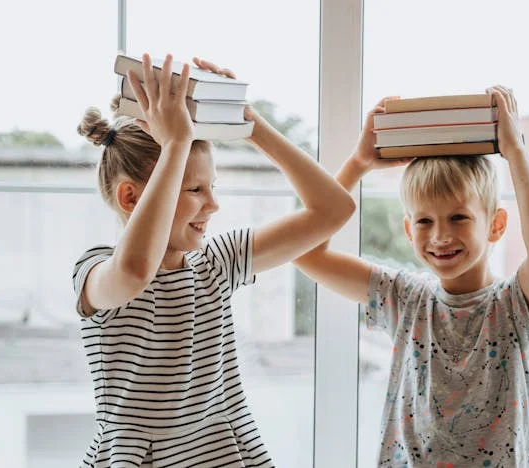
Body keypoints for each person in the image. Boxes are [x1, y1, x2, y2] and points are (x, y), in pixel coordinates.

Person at [73, 53, 355, 468]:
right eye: (193, 190)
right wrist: (175, 144)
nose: (214, 204)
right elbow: (134, 272)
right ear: (131, 198)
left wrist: (251, 125)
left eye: (213, 187)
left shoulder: (216, 263)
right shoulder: (95, 269)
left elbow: (334, 210)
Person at [294, 87, 529, 467]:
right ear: (408, 230)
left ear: (496, 225)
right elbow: (303, 249)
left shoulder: (514, 305)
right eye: (424, 221)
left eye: (459, 218)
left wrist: (515, 152)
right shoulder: (404, 298)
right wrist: (358, 163)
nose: (440, 236)